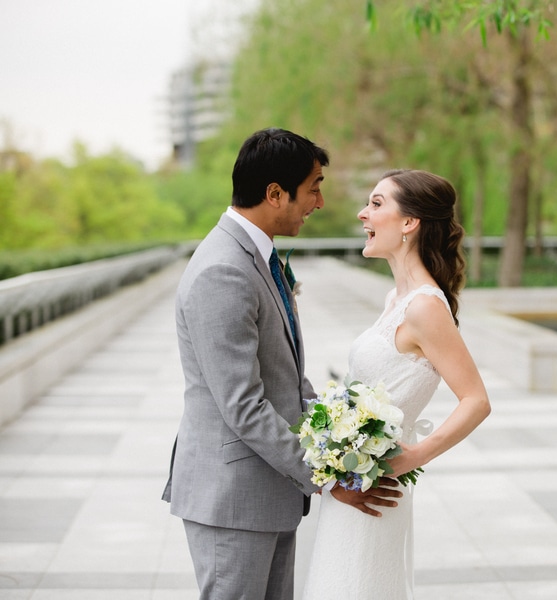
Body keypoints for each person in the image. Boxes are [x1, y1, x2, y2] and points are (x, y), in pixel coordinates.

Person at [161, 128, 401, 600]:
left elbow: (284, 377)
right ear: (275, 193)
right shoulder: (223, 270)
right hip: (233, 500)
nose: (320, 201)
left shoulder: (256, 257)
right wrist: (327, 479)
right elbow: (243, 405)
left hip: (265, 492)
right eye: (313, 187)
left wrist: (343, 439)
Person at [301, 169, 492, 599]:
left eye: (376, 203)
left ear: (410, 223)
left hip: (378, 486)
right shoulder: (396, 300)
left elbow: (476, 400)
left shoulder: (425, 308)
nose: (361, 213)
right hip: (352, 485)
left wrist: (415, 455)